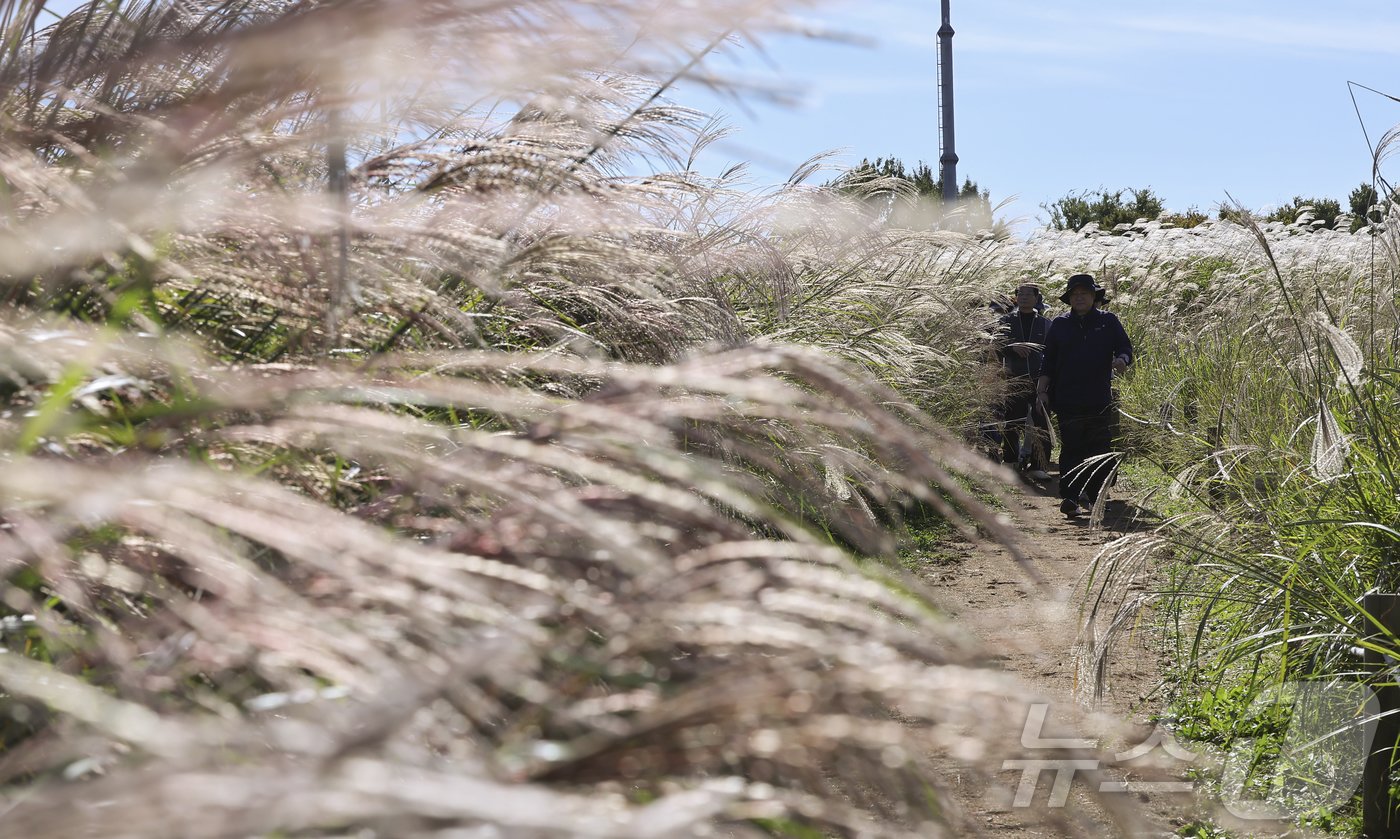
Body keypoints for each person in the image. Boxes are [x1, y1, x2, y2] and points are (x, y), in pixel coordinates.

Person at [1036, 273, 1133, 517]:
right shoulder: (1060, 324)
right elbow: (1048, 360)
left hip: (1098, 396)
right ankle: (1070, 497)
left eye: (1084, 294)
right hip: (1067, 396)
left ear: (1094, 297)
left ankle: (1096, 497)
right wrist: (1041, 391)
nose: (1079, 298)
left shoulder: (1108, 321)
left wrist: (1122, 359)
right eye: (1075, 294)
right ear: (1069, 298)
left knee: (1099, 446)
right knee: (1072, 447)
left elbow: (1125, 347)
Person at [996, 283, 1052, 480]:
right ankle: (1010, 462)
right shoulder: (1005, 320)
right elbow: (994, 345)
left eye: (1029, 294)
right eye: (1021, 294)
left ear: (1037, 298)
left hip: (1040, 380)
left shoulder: (1045, 324)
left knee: (1041, 423)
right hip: (1013, 377)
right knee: (1012, 421)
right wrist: (1012, 347)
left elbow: (1053, 352)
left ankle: (1039, 466)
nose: (1024, 297)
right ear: (1016, 298)